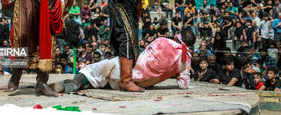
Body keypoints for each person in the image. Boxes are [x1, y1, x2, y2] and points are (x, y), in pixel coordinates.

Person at [50, 30, 195, 93]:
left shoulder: (162, 40)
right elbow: (183, 85)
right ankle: (88, 84)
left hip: (124, 71)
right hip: (134, 84)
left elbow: (141, 54)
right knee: (106, 79)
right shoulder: (186, 59)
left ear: (177, 37)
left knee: (92, 70)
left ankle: (77, 82)